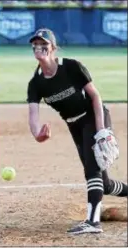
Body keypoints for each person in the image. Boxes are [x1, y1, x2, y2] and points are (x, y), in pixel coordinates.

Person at [27, 28, 128, 234]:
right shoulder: (36, 84)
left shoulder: (72, 67)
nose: (39, 47)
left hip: (94, 116)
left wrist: (101, 131)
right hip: (74, 125)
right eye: (36, 44)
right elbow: (33, 118)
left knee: (92, 170)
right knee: (104, 184)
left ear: (53, 48)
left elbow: (95, 97)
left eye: (44, 43)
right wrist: (39, 135)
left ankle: (92, 222)